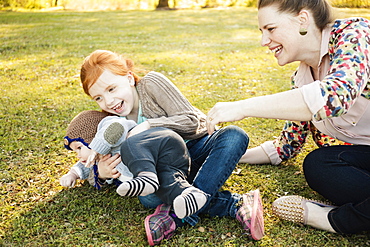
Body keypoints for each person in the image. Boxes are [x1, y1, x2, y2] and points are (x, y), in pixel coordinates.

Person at [206, 0, 370, 235]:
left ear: (302, 20)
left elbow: (335, 95)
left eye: (270, 29)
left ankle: (336, 220)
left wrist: (244, 107)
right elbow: (286, 146)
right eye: (262, 32)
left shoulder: (354, 33)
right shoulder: (301, 79)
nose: (264, 41)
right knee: (318, 164)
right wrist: (228, 155)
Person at [78, 50, 265, 244]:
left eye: (112, 89)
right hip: (169, 173)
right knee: (148, 198)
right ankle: (235, 204)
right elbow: (88, 157)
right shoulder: (109, 120)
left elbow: (191, 121)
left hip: (197, 150)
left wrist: (150, 125)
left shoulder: (151, 84)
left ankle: (175, 215)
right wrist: (100, 172)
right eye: (98, 98)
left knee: (235, 136)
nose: (108, 101)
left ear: (129, 78)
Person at [60, 110, 208, 219]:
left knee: (128, 145)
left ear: (91, 137)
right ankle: (191, 195)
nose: (78, 155)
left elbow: (116, 128)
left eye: (79, 147)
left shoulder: (109, 127)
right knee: (161, 186)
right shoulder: (97, 161)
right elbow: (83, 168)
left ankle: (146, 178)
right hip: (166, 164)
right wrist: (72, 174)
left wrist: (97, 147)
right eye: (75, 152)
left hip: (165, 145)